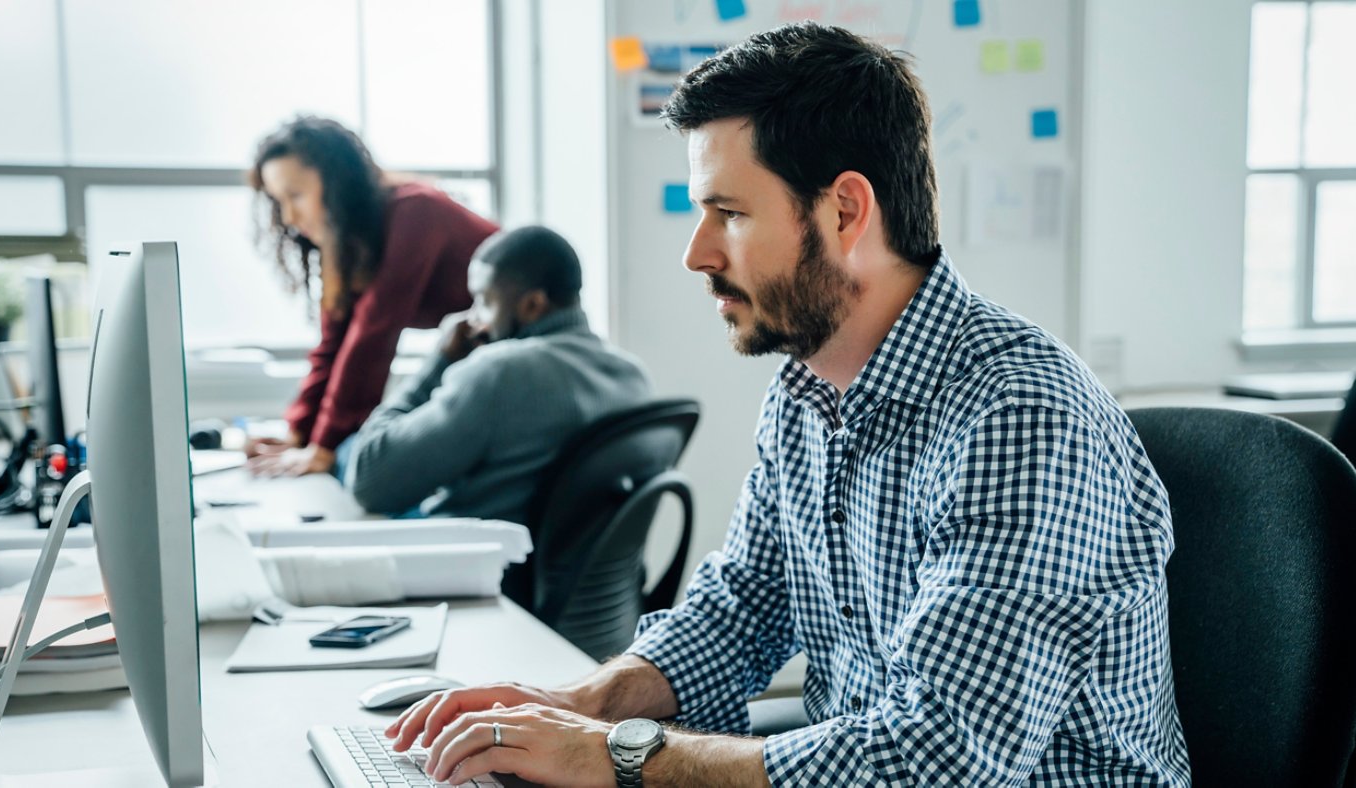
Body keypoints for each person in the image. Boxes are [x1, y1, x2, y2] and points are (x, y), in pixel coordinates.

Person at [384, 22, 1190, 787]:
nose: (697, 253)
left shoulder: (1018, 414)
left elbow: (942, 759)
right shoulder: (806, 394)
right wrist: (577, 707)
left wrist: (623, 759)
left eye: (729, 214)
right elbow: (740, 610)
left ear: (844, 211)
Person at [343, 225, 653, 525]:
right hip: (591, 577)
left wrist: (439, 360)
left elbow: (370, 481)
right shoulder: (634, 376)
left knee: (347, 454)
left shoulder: (499, 372)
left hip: (481, 569)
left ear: (532, 305)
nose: (474, 318)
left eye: (485, 301)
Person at [245, 116, 498, 477]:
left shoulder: (416, 211)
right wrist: (299, 432)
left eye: (296, 195)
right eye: (278, 201)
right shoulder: (348, 244)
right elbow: (333, 344)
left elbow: (373, 334)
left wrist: (325, 446)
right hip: (482, 350)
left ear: (337, 184)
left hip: (530, 341)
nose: (287, 216)